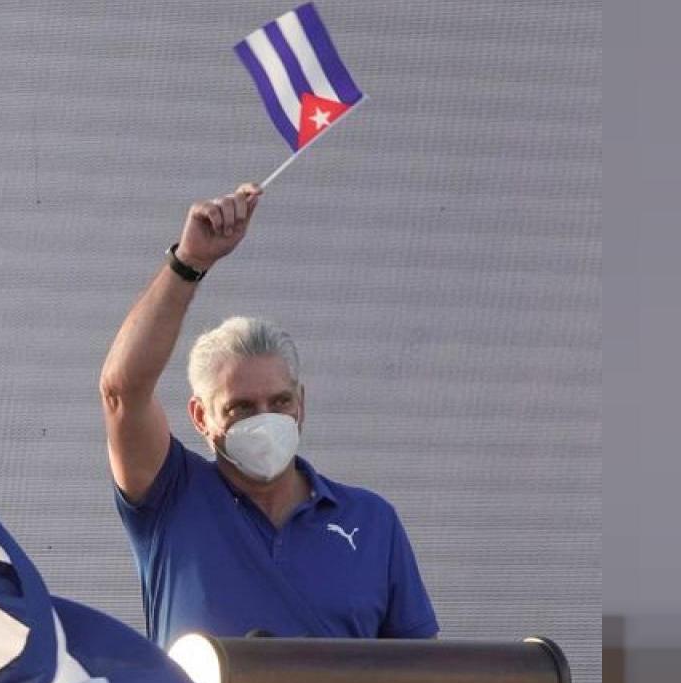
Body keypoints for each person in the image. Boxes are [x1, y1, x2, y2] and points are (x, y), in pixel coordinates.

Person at [99, 183, 438, 649]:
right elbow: (122, 391)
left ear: (301, 403)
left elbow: (423, 674)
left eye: (279, 402)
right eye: (241, 407)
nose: (265, 419)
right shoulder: (171, 500)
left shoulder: (371, 522)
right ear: (201, 417)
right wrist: (189, 262)